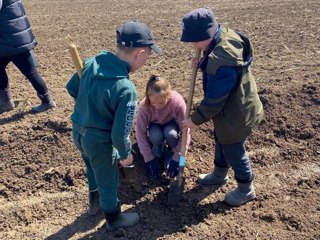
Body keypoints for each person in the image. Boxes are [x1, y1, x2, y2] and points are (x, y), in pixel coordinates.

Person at [66, 21, 161, 231]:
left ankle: (94, 203)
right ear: (140, 54)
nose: (145, 62)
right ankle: (113, 218)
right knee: (109, 178)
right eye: (147, 58)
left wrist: (89, 105)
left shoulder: (91, 63)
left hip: (78, 131)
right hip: (99, 142)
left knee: (91, 166)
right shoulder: (126, 89)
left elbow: (72, 87)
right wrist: (125, 153)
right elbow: (120, 134)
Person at [180, 8, 264, 206]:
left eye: (194, 40)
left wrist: (195, 119)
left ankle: (246, 188)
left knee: (233, 148)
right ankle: (219, 174)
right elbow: (221, 72)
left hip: (236, 113)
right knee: (221, 139)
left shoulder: (220, 60)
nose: (192, 45)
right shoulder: (221, 39)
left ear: (206, 35)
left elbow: (215, 100)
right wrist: (204, 63)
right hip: (233, 107)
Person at [0, 0, 56, 113]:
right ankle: (6, 102)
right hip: (14, 37)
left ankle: (47, 102)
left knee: (30, 72)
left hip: (11, 39)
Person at [135, 74, 190, 179]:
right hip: (155, 126)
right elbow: (140, 133)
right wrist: (148, 159)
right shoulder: (144, 106)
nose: (156, 106)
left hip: (172, 125)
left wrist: (179, 157)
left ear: (168, 95)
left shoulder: (177, 102)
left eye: (160, 103)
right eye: (153, 103)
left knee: (171, 134)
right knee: (156, 137)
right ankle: (157, 148)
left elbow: (186, 132)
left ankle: (171, 151)